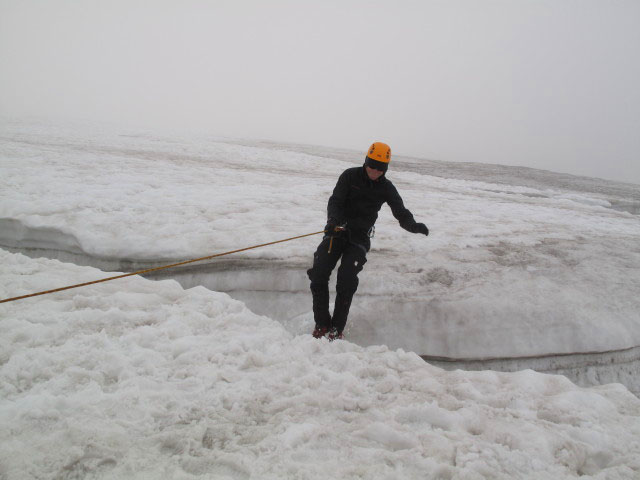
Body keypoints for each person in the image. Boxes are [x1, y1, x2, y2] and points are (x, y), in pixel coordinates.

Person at [307, 142, 429, 340]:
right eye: (372, 165)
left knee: (346, 280)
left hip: (359, 238)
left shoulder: (387, 188)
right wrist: (332, 221)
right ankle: (322, 324)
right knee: (318, 274)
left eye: (380, 168)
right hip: (336, 232)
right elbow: (335, 201)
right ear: (366, 162)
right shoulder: (349, 176)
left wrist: (413, 226)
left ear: (385, 169)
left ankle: (336, 330)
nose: (374, 171)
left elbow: (401, 212)